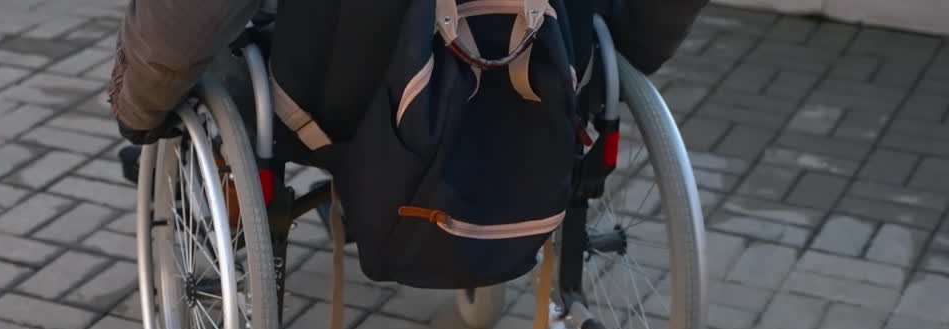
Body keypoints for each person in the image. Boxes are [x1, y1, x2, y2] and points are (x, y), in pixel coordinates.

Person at [108, 0, 709, 147]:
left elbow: (185, 20)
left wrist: (139, 110)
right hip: (541, 61)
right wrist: (612, 68)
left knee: (226, 61)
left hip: (335, 104)